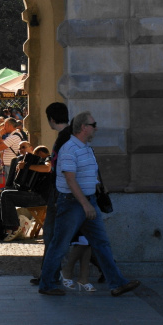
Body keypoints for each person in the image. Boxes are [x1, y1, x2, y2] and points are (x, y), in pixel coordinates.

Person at [38, 111, 140, 297]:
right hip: (72, 203)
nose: (96, 128)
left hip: (86, 201)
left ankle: (117, 283)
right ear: (84, 128)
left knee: (101, 243)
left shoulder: (85, 147)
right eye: (93, 124)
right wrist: (85, 205)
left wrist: (96, 191)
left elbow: (87, 175)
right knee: (59, 245)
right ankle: (47, 284)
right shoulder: (69, 149)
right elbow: (70, 180)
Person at [30, 102, 72, 286]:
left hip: (61, 192)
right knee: (89, 236)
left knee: (52, 235)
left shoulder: (64, 138)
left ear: (51, 119)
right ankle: (48, 275)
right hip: (65, 192)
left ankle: (48, 277)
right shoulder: (69, 136)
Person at [1, 143, 52, 242]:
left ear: (41, 153)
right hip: (38, 195)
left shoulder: (48, 158)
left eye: (37, 157)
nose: (36, 160)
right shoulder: (41, 161)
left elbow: (47, 168)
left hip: (41, 197)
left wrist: (27, 166)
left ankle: (13, 228)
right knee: (7, 193)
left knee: (6, 195)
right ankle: (11, 227)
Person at [0, 117, 24, 182]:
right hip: (11, 165)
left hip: (11, 166)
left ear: (9, 125)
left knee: (10, 187)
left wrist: (0, 135)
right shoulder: (17, 134)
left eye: (5, 125)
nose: (4, 128)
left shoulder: (13, 137)